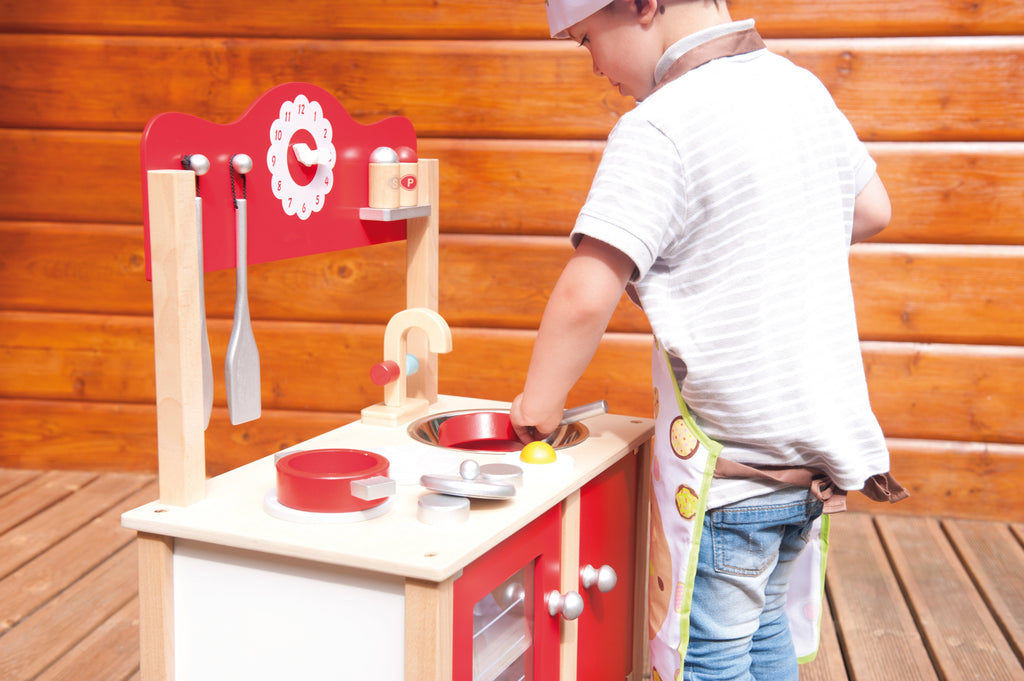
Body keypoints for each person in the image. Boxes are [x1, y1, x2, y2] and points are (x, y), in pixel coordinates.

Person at [509, 1, 907, 679]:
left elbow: (585, 293)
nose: (595, 66)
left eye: (585, 42)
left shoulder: (659, 126)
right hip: (807, 472)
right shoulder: (797, 86)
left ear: (640, 6)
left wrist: (538, 403)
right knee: (763, 627)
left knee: (712, 654)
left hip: (733, 478)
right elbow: (873, 208)